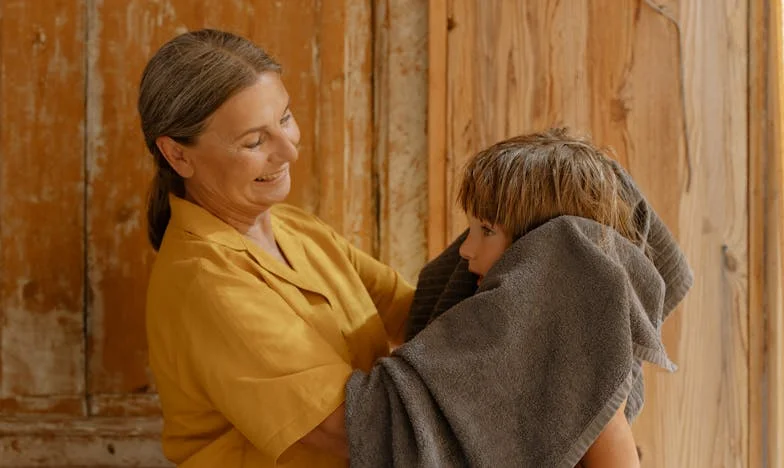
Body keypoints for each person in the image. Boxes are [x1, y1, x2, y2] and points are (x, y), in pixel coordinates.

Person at [142, 29, 412, 467]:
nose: (288, 150)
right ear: (177, 155)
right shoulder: (208, 284)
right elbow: (348, 431)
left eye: (284, 118)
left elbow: (413, 310)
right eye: (254, 141)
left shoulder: (293, 227)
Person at [455, 128, 644, 467]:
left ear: (546, 249)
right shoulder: (503, 335)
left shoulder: (584, 365)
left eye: (486, 231)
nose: (465, 250)